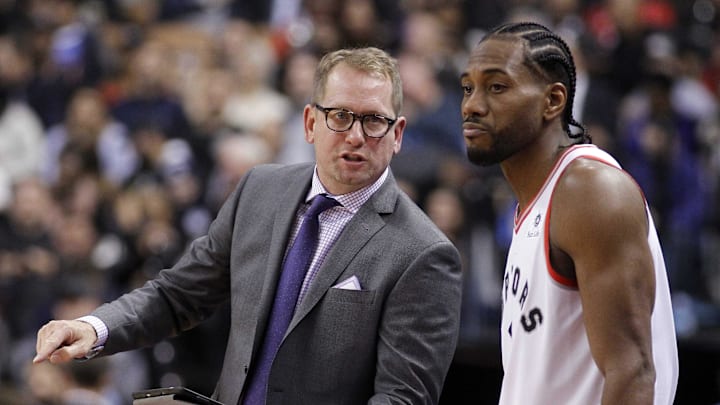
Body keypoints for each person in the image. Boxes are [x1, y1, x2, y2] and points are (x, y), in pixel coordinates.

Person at [32, 47, 463, 405]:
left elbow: (402, 399)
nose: (355, 135)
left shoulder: (423, 253)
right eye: (340, 116)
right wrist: (95, 327)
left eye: (373, 120)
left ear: (398, 133)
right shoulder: (260, 189)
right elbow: (179, 293)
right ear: (311, 122)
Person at [459, 22, 678, 404]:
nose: (472, 105)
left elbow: (633, 373)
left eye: (496, 87)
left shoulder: (588, 191)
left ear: (553, 101)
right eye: (468, 87)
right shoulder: (536, 201)